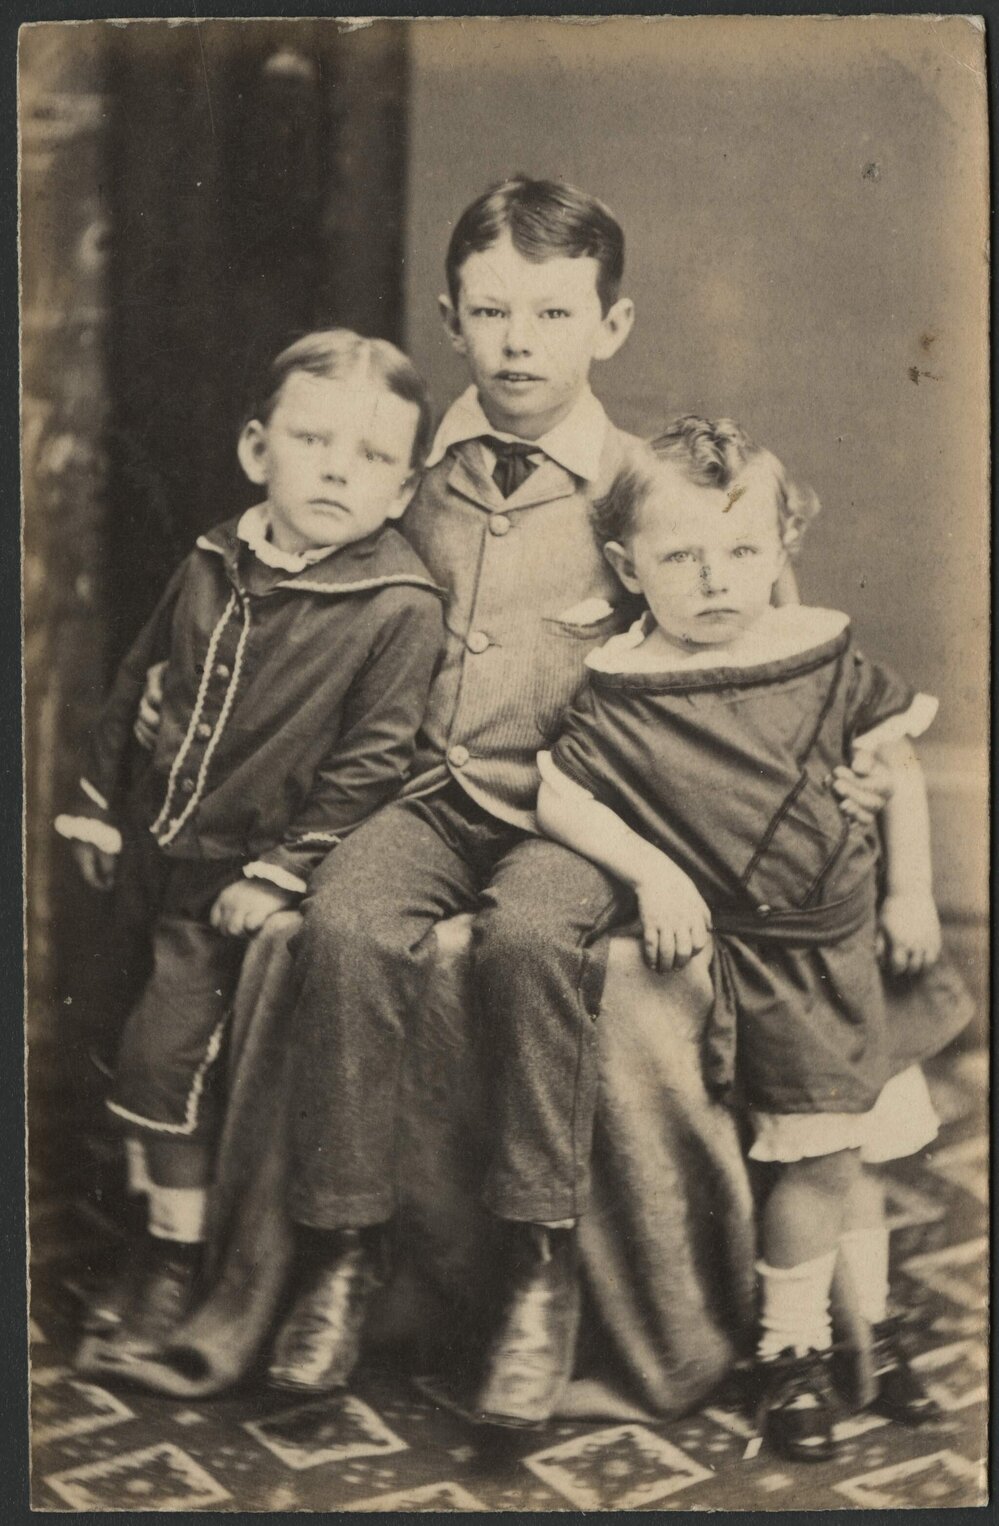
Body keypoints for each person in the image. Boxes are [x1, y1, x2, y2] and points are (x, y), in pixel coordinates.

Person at [259, 180, 887, 1425]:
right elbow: (295, 590)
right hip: (430, 797)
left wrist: (845, 767)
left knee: (536, 937)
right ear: (449, 316)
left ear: (613, 324)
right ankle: (341, 1246)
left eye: (553, 311)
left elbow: (765, 638)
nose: (518, 341)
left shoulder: (642, 491)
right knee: (340, 918)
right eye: (489, 310)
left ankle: (538, 1263)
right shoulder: (404, 472)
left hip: (586, 810)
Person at [536, 414, 965, 1460]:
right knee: (816, 1165)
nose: (716, 580)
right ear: (628, 564)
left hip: (852, 943)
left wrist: (912, 892)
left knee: (851, 1157)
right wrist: (653, 866)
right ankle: (791, 1350)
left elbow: (894, 764)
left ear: (781, 552)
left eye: (741, 551)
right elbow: (557, 792)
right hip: (770, 968)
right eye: (680, 556)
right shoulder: (627, 689)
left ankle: (865, 1330)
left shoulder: (810, 650)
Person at [55, 329, 445, 1360]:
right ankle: (147, 1218)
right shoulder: (211, 559)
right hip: (152, 851)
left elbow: (375, 760)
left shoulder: (396, 604)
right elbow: (141, 678)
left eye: (370, 457)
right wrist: (99, 801)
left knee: (161, 1058)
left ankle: (173, 1259)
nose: (334, 468)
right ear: (255, 447)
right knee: (111, 1031)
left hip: (240, 878)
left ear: (404, 491)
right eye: (312, 439)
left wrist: (280, 870)